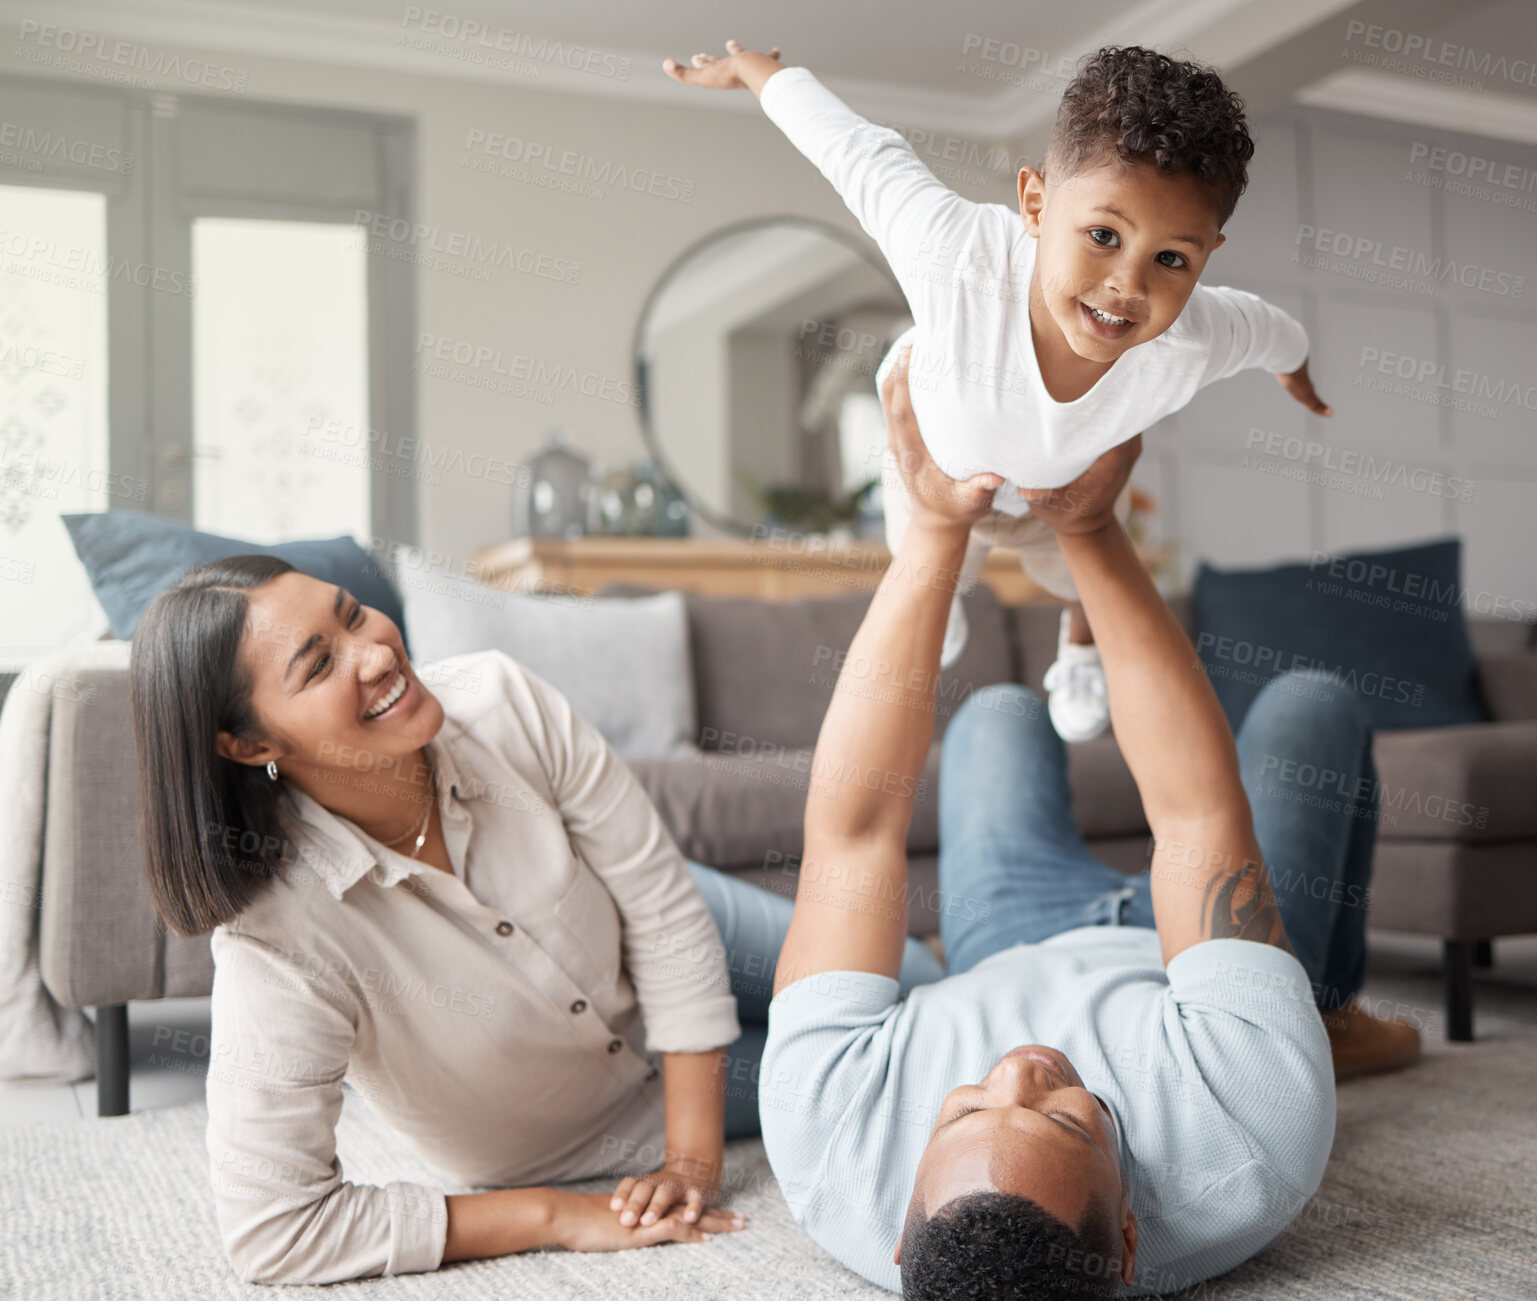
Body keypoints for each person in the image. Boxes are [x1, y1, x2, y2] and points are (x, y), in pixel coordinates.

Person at [754, 349, 1417, 1298]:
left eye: (966, 1108)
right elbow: (1192, 818)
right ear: (1133, 1238)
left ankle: (1297, 1014)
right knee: (1311, 705)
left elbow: (853, 833)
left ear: (898, 1233)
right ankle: (1322, 1007)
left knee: (997, 715)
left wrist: (936, 527)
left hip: (1008, 935)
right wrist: (1089, 524)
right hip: (1196, 983)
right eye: (1069, 1120)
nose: (1021, 1069)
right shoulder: (1249, 1132)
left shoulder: (829, 1141)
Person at [128, 557, 942, 1285]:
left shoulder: (498, 698)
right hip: (590, 1128)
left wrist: (693, 1160)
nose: (376, 653)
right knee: (898, 1058)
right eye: (319, 664)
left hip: (654, 920)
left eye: (350, 614)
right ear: (245, 741)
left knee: (918, 978)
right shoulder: (276, 938)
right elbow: (275, 1230)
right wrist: (557, 1216)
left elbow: (660, 908)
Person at [664, 40, 1333, 743]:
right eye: (1102, 234)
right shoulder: (953, 253)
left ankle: (1077, 650)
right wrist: (753, 71)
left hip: (1055, 496)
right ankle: (945, 590)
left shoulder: (1198, 335)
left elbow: (1274, 333)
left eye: (1171, 259)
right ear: (1035, 204)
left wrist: (1299, 379)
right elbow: (853, 150)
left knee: (1089, 581)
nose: (1127, 287)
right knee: (928, 573)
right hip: (934, 473)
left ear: (1206, 256)